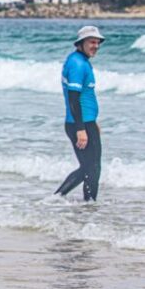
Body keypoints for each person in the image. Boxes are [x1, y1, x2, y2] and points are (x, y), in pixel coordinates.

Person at [55, 25, 104, 201]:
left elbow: (85, 96)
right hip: (79, 124)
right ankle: (61, 198)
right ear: (81, 43)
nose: (96, 46)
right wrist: (81, 128)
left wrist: (93, 121)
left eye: (98, 42)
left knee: (92, 167)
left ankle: (87, 204)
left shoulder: (81, 61)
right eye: (92, 42)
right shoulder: (77, 64)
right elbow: (73, 99)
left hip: (85, 122)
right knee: (90, 167)